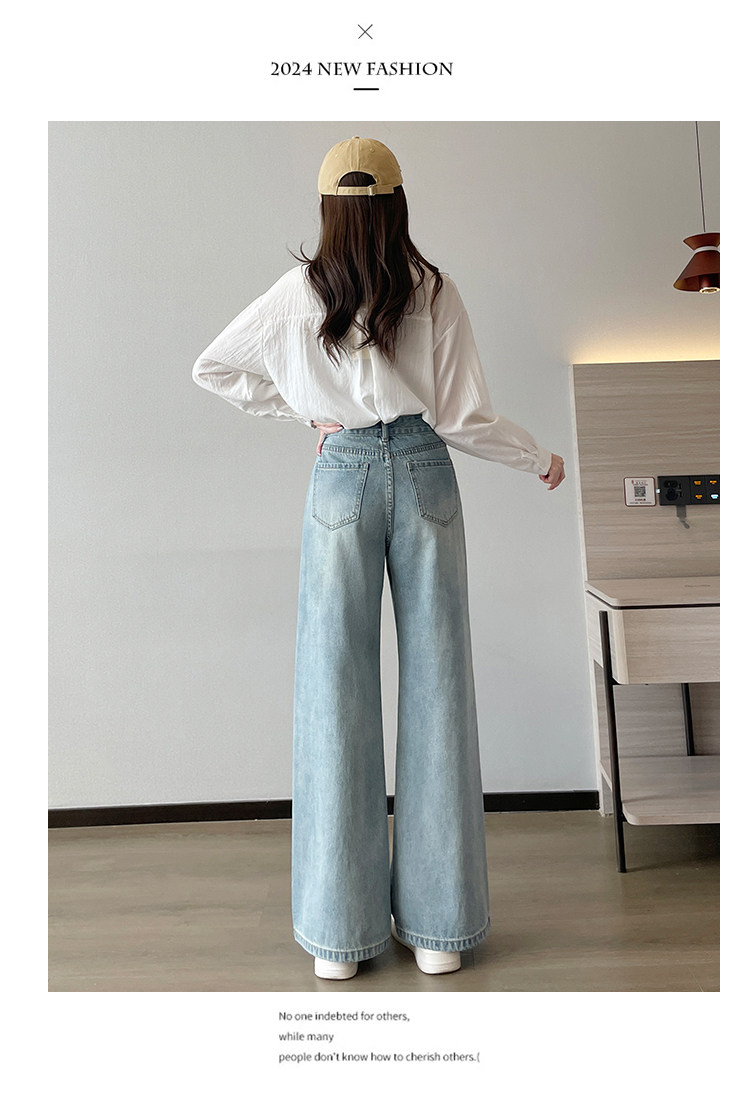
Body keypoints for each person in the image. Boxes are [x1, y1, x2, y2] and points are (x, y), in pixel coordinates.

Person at [192, 136, 566, 983]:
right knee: (439, 687)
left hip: (341, 478)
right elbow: (464, 417)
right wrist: (535, 456)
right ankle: (440, 930)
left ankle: (340, 936)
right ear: (398, 204)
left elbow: (214, 368)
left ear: (329, 209)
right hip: (425, 468)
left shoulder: (299, 293)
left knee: (334, 693)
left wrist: (309, 414)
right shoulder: (432, 288)